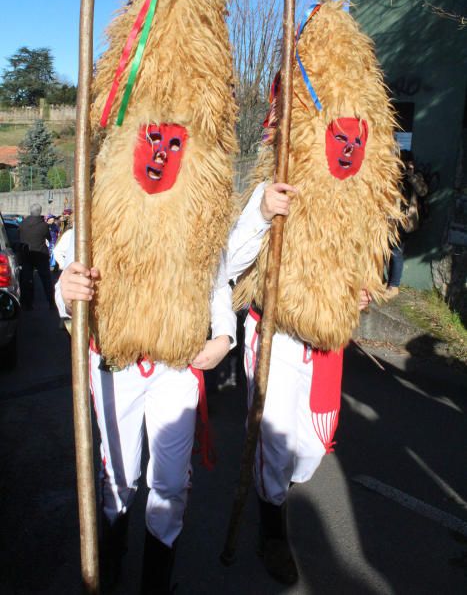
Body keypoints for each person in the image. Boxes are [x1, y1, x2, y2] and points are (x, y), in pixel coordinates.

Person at [55, 240, 236, 593]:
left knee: (170, 483)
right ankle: (109, 563)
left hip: (177, 362)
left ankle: (155, 582)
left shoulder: (198, 200)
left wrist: (224, 335)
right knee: (120, 476)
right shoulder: (106, 200)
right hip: (115, 360)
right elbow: (67, 270)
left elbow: (217, 279)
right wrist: (65, 291)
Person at [226, 182, 372, 585]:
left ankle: (274, 490)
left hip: (324, 340)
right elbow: (230, 265)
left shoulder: (348, 195)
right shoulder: (273, 187)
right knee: (274, 445)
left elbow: (354, 266)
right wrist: (261, 213)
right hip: (276, 335)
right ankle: (272, 533)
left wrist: (355, 293)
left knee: (308, 450)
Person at [386, 150, 428, 299]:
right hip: (390, 220)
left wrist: (411, 176)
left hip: (405, 222)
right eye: (401, 163)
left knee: (396, 252)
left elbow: (423, 192)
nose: (404, 166)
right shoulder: (393, 175)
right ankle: (387, 282)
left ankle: (394, 286)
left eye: (407, 163)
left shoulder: (416, 176)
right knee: (386, 252)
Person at [18, 203, 54, 310]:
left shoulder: (22, 224)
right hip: (41, 255)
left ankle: (28, 304)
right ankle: (51, 302)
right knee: (46, 280)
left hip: (26, 255)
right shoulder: (43, 225)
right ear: (40, 212)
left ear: (30, 212)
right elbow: (49, 238)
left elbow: (19, 237)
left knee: (27, 280)